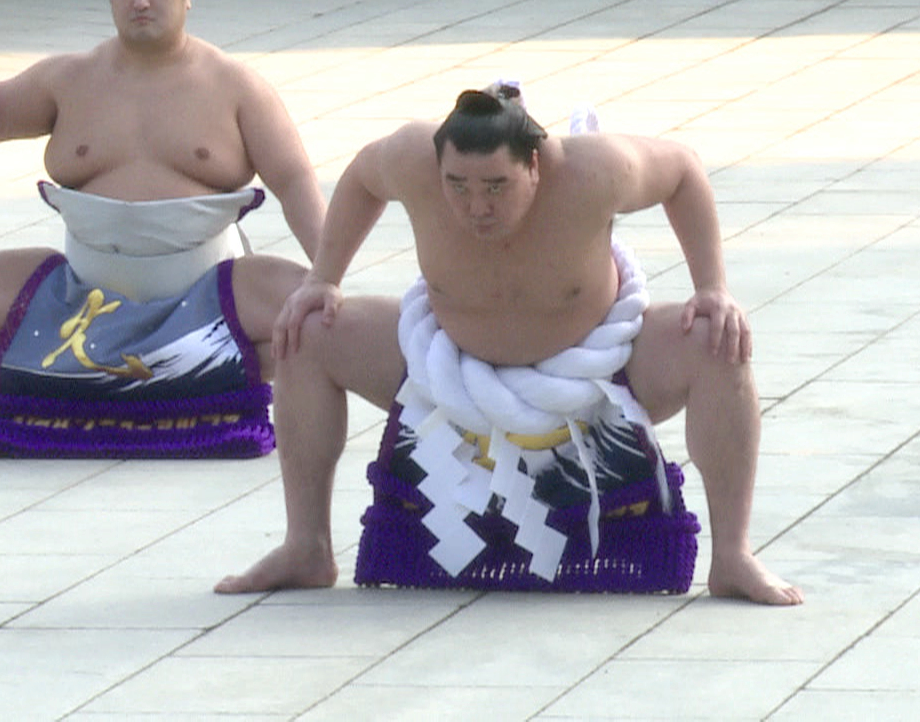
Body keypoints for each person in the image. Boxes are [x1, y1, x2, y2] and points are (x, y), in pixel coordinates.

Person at [216, 84, 803, 605]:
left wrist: (713, 288)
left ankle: (732, 555)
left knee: (718, 340)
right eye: (459, 186)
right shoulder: (410, 157)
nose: (477, 207)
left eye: (496, 186)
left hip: (599, 368)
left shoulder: (597, 171)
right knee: (305, 332)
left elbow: (684, 171)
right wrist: (323, 278)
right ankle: (307, 546)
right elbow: (363, 177)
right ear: (437, 166)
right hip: (446, 363)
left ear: (536, 166)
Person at [0, 0, 322, 395]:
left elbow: (294, 181)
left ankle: (183, 373)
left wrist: (326, 272)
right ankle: (99, 375)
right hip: (84, 294)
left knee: (314, 321)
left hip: (209, 293)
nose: (140, 1)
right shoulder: (68, 78)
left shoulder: (238, 87)